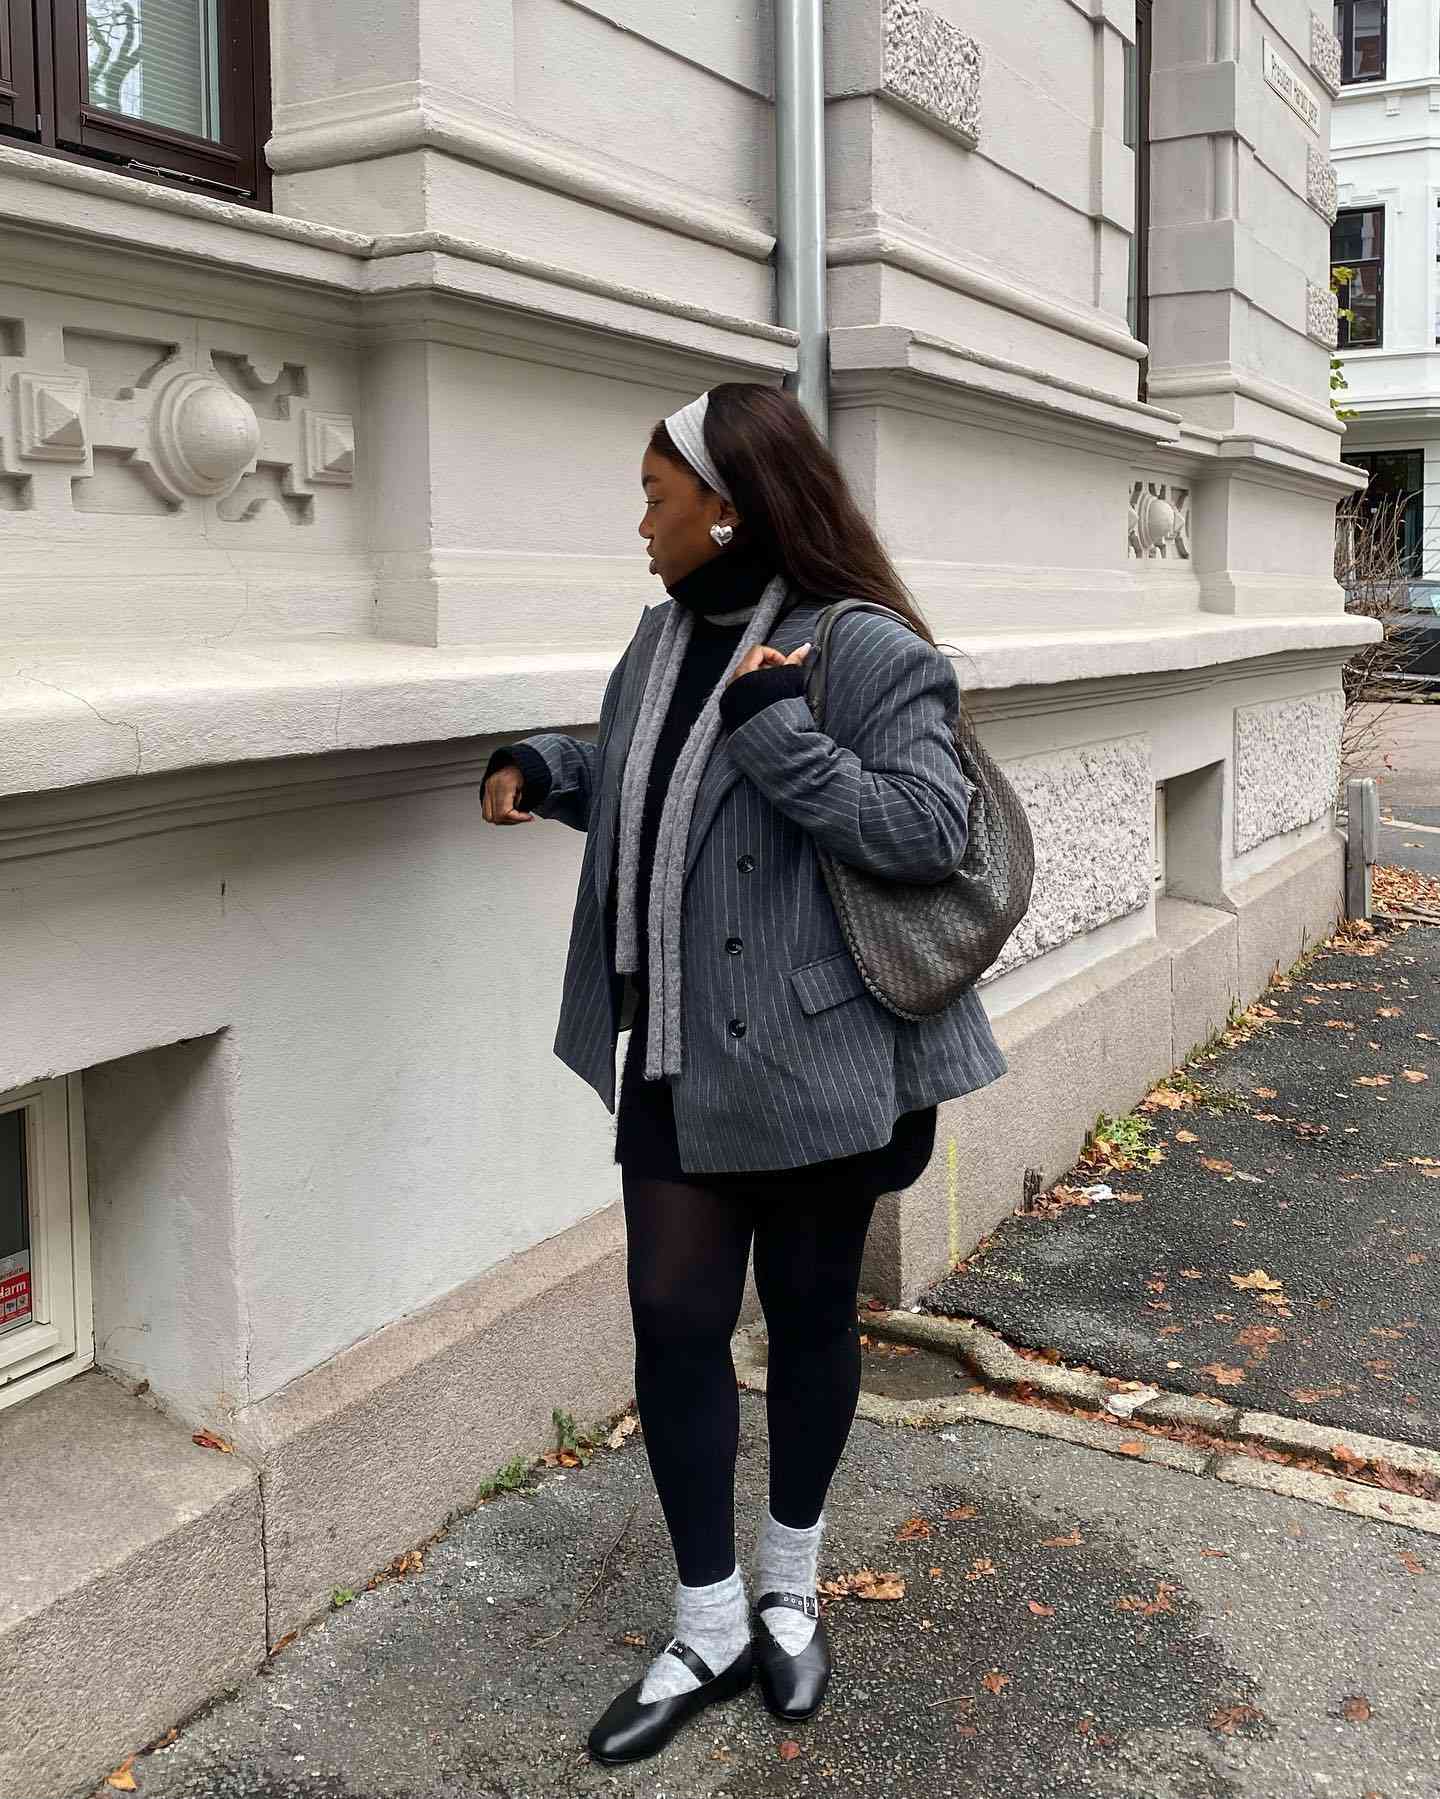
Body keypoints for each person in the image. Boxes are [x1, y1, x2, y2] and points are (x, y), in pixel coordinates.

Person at [480, 382, 1007, 1765]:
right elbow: (654, 783)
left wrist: (779, 732)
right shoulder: (661, 640)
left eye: (656, 498)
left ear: (727, 507)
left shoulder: (866, 645)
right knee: (672, 1318)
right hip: (678, 1045)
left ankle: (789, 1587)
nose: (641, 525)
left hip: (823, 1057)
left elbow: (927, 831)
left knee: (814, 1315)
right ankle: (707, 1621)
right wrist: (550, 767)